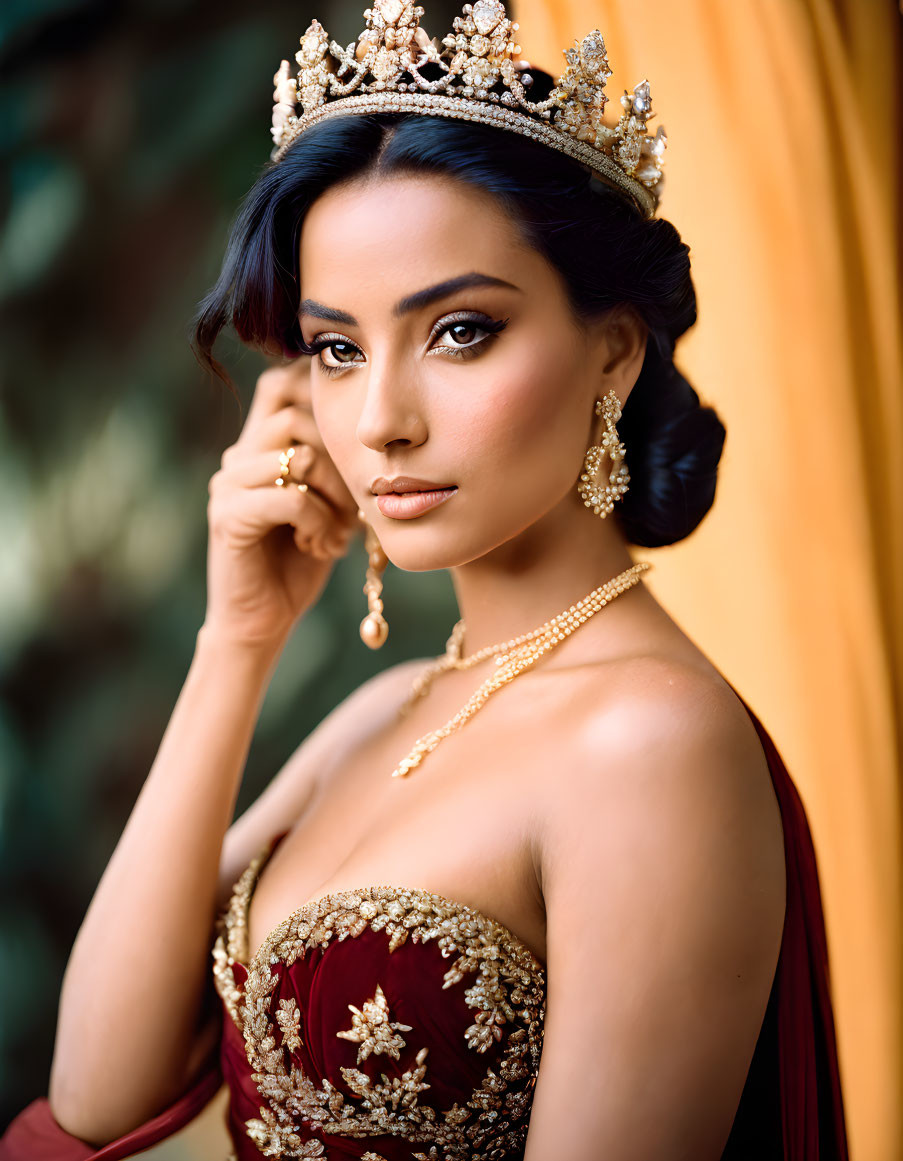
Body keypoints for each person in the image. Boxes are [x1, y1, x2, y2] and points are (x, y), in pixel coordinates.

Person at [1, 2, 849, 1158]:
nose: (383, 422)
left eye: (458, 331)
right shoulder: (379, 713)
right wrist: (236, 643)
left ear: (613, 348)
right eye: (338, 349)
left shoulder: (651, 744)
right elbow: (97, 1094)